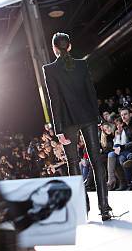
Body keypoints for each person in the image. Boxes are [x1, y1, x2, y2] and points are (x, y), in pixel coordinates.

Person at [42, 33, 111, 221]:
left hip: (68, 122)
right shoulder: (81, 64)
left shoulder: (49, 70)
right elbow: (91, 91)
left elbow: (54, 101)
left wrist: (58, 130)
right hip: (88, 116)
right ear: (69, 47)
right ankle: (104, 209)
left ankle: (82, 209)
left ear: (55, 48)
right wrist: (97, 117)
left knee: (73, 164)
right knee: (96, 160)